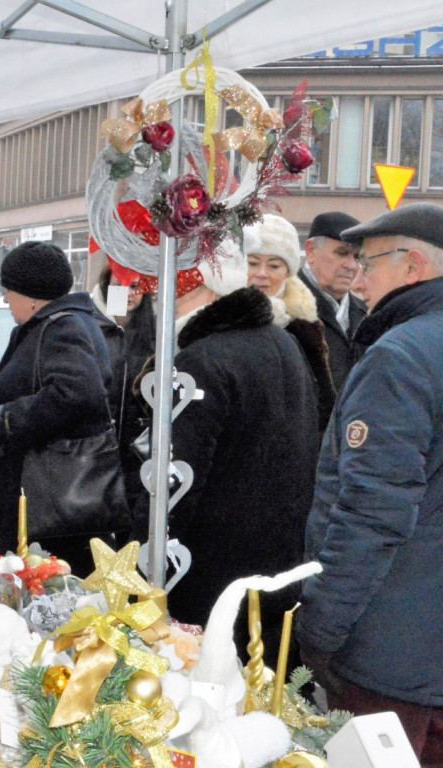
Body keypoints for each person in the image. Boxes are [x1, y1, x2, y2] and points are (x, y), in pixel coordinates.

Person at [297, 203, 443, 765]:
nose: (358, 279)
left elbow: (372, 512)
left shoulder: (400, 357)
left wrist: (322, 627)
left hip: (394, 658)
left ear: (412, 268)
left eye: (370, 263)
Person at [133, 244, 319, 665]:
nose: (161, 302)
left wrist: (138, 572)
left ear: (210, 287)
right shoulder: (283, 342)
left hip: (207, 585)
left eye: (174, 290)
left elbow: (174, 486)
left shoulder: (201, 361)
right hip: (274, 573)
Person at [0, 241, 118, 574]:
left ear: (31, 294)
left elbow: (76, 392)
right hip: (32, 501)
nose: (5, 299)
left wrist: (5, 420)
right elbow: (33, 388)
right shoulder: (51, 325)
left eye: (9, 290)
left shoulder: (64, 326)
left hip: (43, 508)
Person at [244, 214, 335, 430]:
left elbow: (323, 404)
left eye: (274, 266)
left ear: (288, 272)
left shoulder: (305, 327)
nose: (262, 274)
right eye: (253, 263)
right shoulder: (217, 317)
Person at [92, 258, 155, 510]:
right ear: (107, 286)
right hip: (98, 449)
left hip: (137, 453)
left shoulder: (154, 331)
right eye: (121, 284)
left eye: (136, 286)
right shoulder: (94, 327)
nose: (129, 293)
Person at [297, 212, 367, 392]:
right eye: (342, 253)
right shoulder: (284, 310)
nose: (351, 266)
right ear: (311, 251)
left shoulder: (366, 315)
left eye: (357, 257)